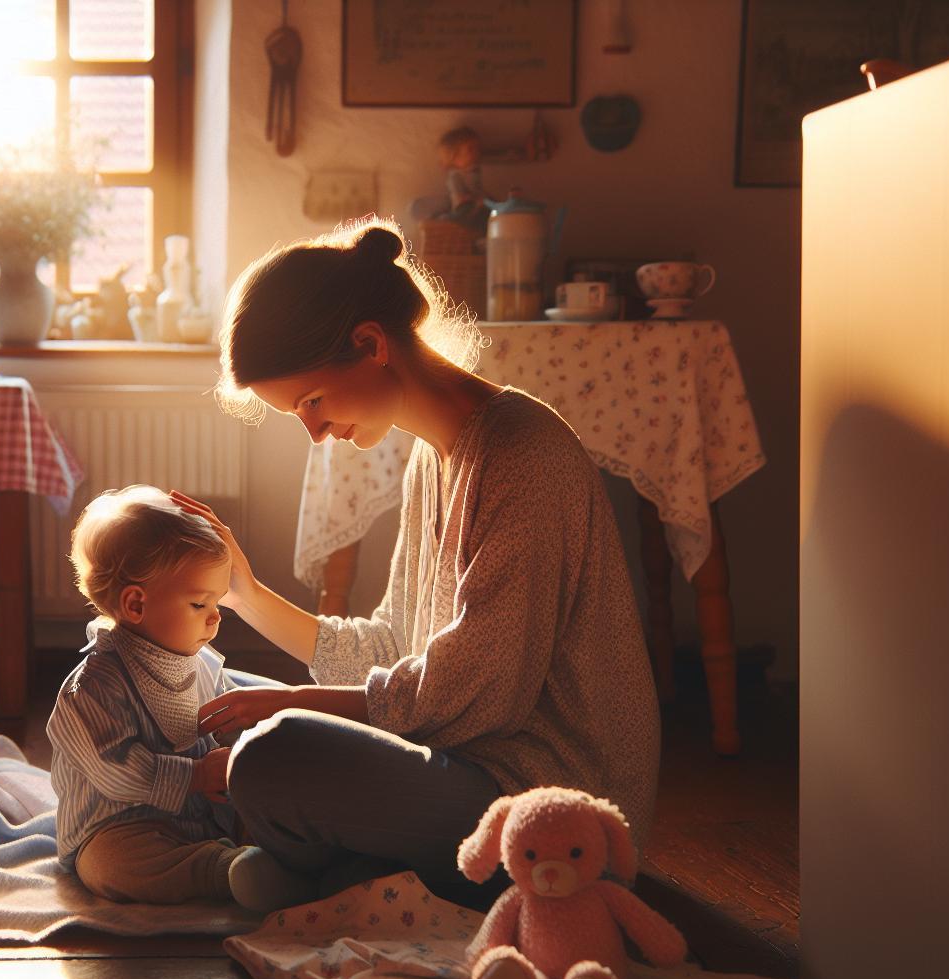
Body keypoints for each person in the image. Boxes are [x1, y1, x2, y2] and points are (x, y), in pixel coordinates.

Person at [172, 219, 660, 908]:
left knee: (273, 750)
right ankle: (342, 873)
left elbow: (479, 696)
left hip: (542, 805)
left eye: (311, 401)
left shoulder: (523, 454)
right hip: (463, 760)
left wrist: (293, 704)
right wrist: (245, 594)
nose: (314, 432)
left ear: (372, 344)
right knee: (210, 689)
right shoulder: (432, 461)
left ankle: (317, 865)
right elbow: (393, 648)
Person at [47, 486, 314, 911]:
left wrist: (244, 750)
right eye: (199, 603)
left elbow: (228, 723)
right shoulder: (94, 687)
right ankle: (225, 871)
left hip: (204, 814)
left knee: (268, 799)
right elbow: (116, 770)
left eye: (217, 602)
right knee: (109, 866)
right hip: (122, 825)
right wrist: (196, 775)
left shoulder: (201, 664)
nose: (216, 616)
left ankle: (276, 856)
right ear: (136, 604)